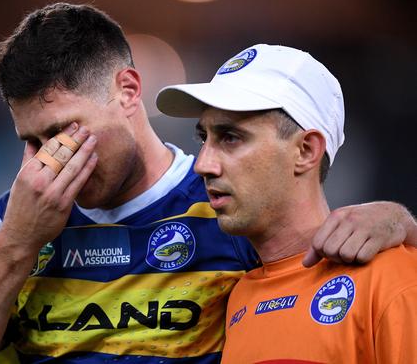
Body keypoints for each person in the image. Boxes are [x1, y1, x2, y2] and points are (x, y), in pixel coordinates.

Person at [0, 4, 416, 363]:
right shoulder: (12, 221)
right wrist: (17, 244)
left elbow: (319, 259)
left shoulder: (228, 207)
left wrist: (398, 223)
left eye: (64, 131)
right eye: (34, 141)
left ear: (128, 91)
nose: (53, 160)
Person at [156, 43, 417, 363]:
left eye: (230, 137)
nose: (203, 164)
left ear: (306, 151)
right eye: (204, 138)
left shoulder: (393, 279)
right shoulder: (237, 298)